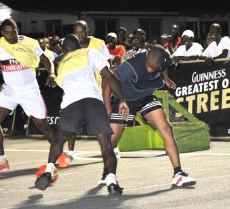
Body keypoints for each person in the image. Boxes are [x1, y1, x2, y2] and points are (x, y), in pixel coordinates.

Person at [35, 33, 129, 195]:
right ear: (79, 45)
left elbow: (62, 84)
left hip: (71, 103)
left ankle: (49, 170)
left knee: (60, 139)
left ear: (64, 51)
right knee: (106, 145)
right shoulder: (89, 52)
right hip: (92, 100)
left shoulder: (62, 64)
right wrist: (122, 99)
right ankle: (112, 182)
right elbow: (109, 76)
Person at [100, 44, 196, 187]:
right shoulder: (132, 64)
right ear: (146, 58)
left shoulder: (163, 60)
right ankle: (107, 170)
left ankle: (178, 173)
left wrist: (166, 79)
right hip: (124, 100)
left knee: (166, 129)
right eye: (149, 67)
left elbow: (164, 67)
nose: (151, 70)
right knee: (111, 141)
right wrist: (108, 106)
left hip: (146, 97)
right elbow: (108, 80)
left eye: (154, 68)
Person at [0, 18, 57, 173]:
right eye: (7, 33)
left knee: (42, 124)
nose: (10, 36)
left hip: (29, 89)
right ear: (2, 33)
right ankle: (1, 161)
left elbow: (45, 59)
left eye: (13, 31)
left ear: (18, 29)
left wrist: (51, 73)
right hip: (9, 89)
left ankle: (60, 154)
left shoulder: (30, 43)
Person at [57, 20, 113, 168]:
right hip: (80, 88)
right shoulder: (71, 49)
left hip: (99, 87)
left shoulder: (98, 44)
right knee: (73, 120)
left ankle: (111, 146)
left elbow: (108, 64)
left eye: (82, 31)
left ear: (87, 31)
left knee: (104, 120)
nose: (80, 35)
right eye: (77, 32)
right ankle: (70, 152)